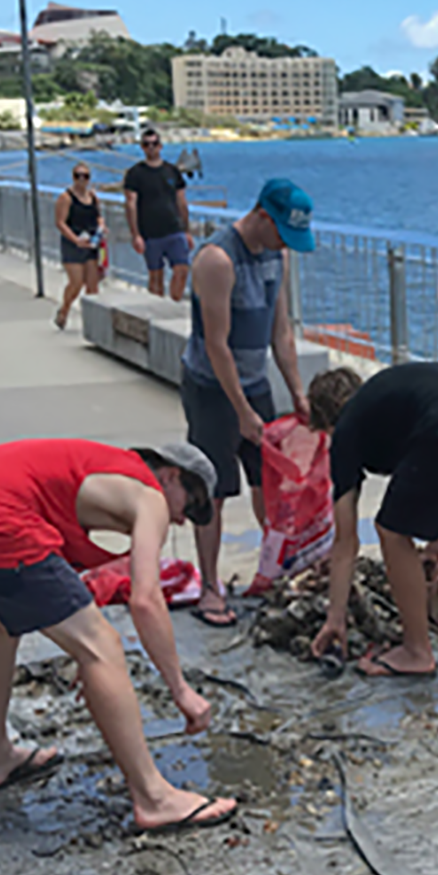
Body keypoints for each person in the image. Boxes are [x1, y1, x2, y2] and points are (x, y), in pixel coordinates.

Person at [0, 437, 237, 831]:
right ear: (170, 475)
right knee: (102, 645)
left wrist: (96, 673)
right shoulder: (151, 496)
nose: (182, 519)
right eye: (192, 505)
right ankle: (154, 797)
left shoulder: (100, 470)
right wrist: (181, 691)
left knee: (1, 623)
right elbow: (146, 600)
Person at [306, 363, 438, 676]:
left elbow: (346, 542)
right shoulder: (391, 399)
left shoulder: (348, 428)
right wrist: (435, 549)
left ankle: (416, 651)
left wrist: (334, 619)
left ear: (326, 422)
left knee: (390, 530)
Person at [182, 178, 314, 624]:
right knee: (213, 490)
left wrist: (296, 390)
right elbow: (217, 345)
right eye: (280, 232)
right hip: (211, 386)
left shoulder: (279, 254)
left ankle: (275, 570)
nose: (282, 243)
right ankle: (210, 587)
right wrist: (241, 411)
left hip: (256, 380)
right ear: (261, 216)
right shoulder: (217, 259)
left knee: (270, 485)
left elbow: (282, 330)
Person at [125, 127, 191, 301]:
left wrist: (187, 230)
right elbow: (130, 204)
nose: (151, 148)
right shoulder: (135, 174)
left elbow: (182, 201)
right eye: (147, 144)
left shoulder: (172, 171)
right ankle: (156, 309)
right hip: (150, 233)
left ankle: (174, 302)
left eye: (154, 144)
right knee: (156, 276)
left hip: (174, 229)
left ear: (160, 146)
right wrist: (136, 235)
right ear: (142, 147)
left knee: (182, 269)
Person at [54, 161, 106, 330]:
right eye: (78, 176)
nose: (82, 180)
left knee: (93, 285)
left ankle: (93, 322)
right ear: (73, 177)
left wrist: (101, 227)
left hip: (91, 243)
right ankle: (64, 309)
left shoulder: (93, 197)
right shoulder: (66, 198)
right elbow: (60, 223)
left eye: (85, 176)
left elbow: (98, 215)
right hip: (73, 244)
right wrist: (75, 240)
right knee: (76, 283)